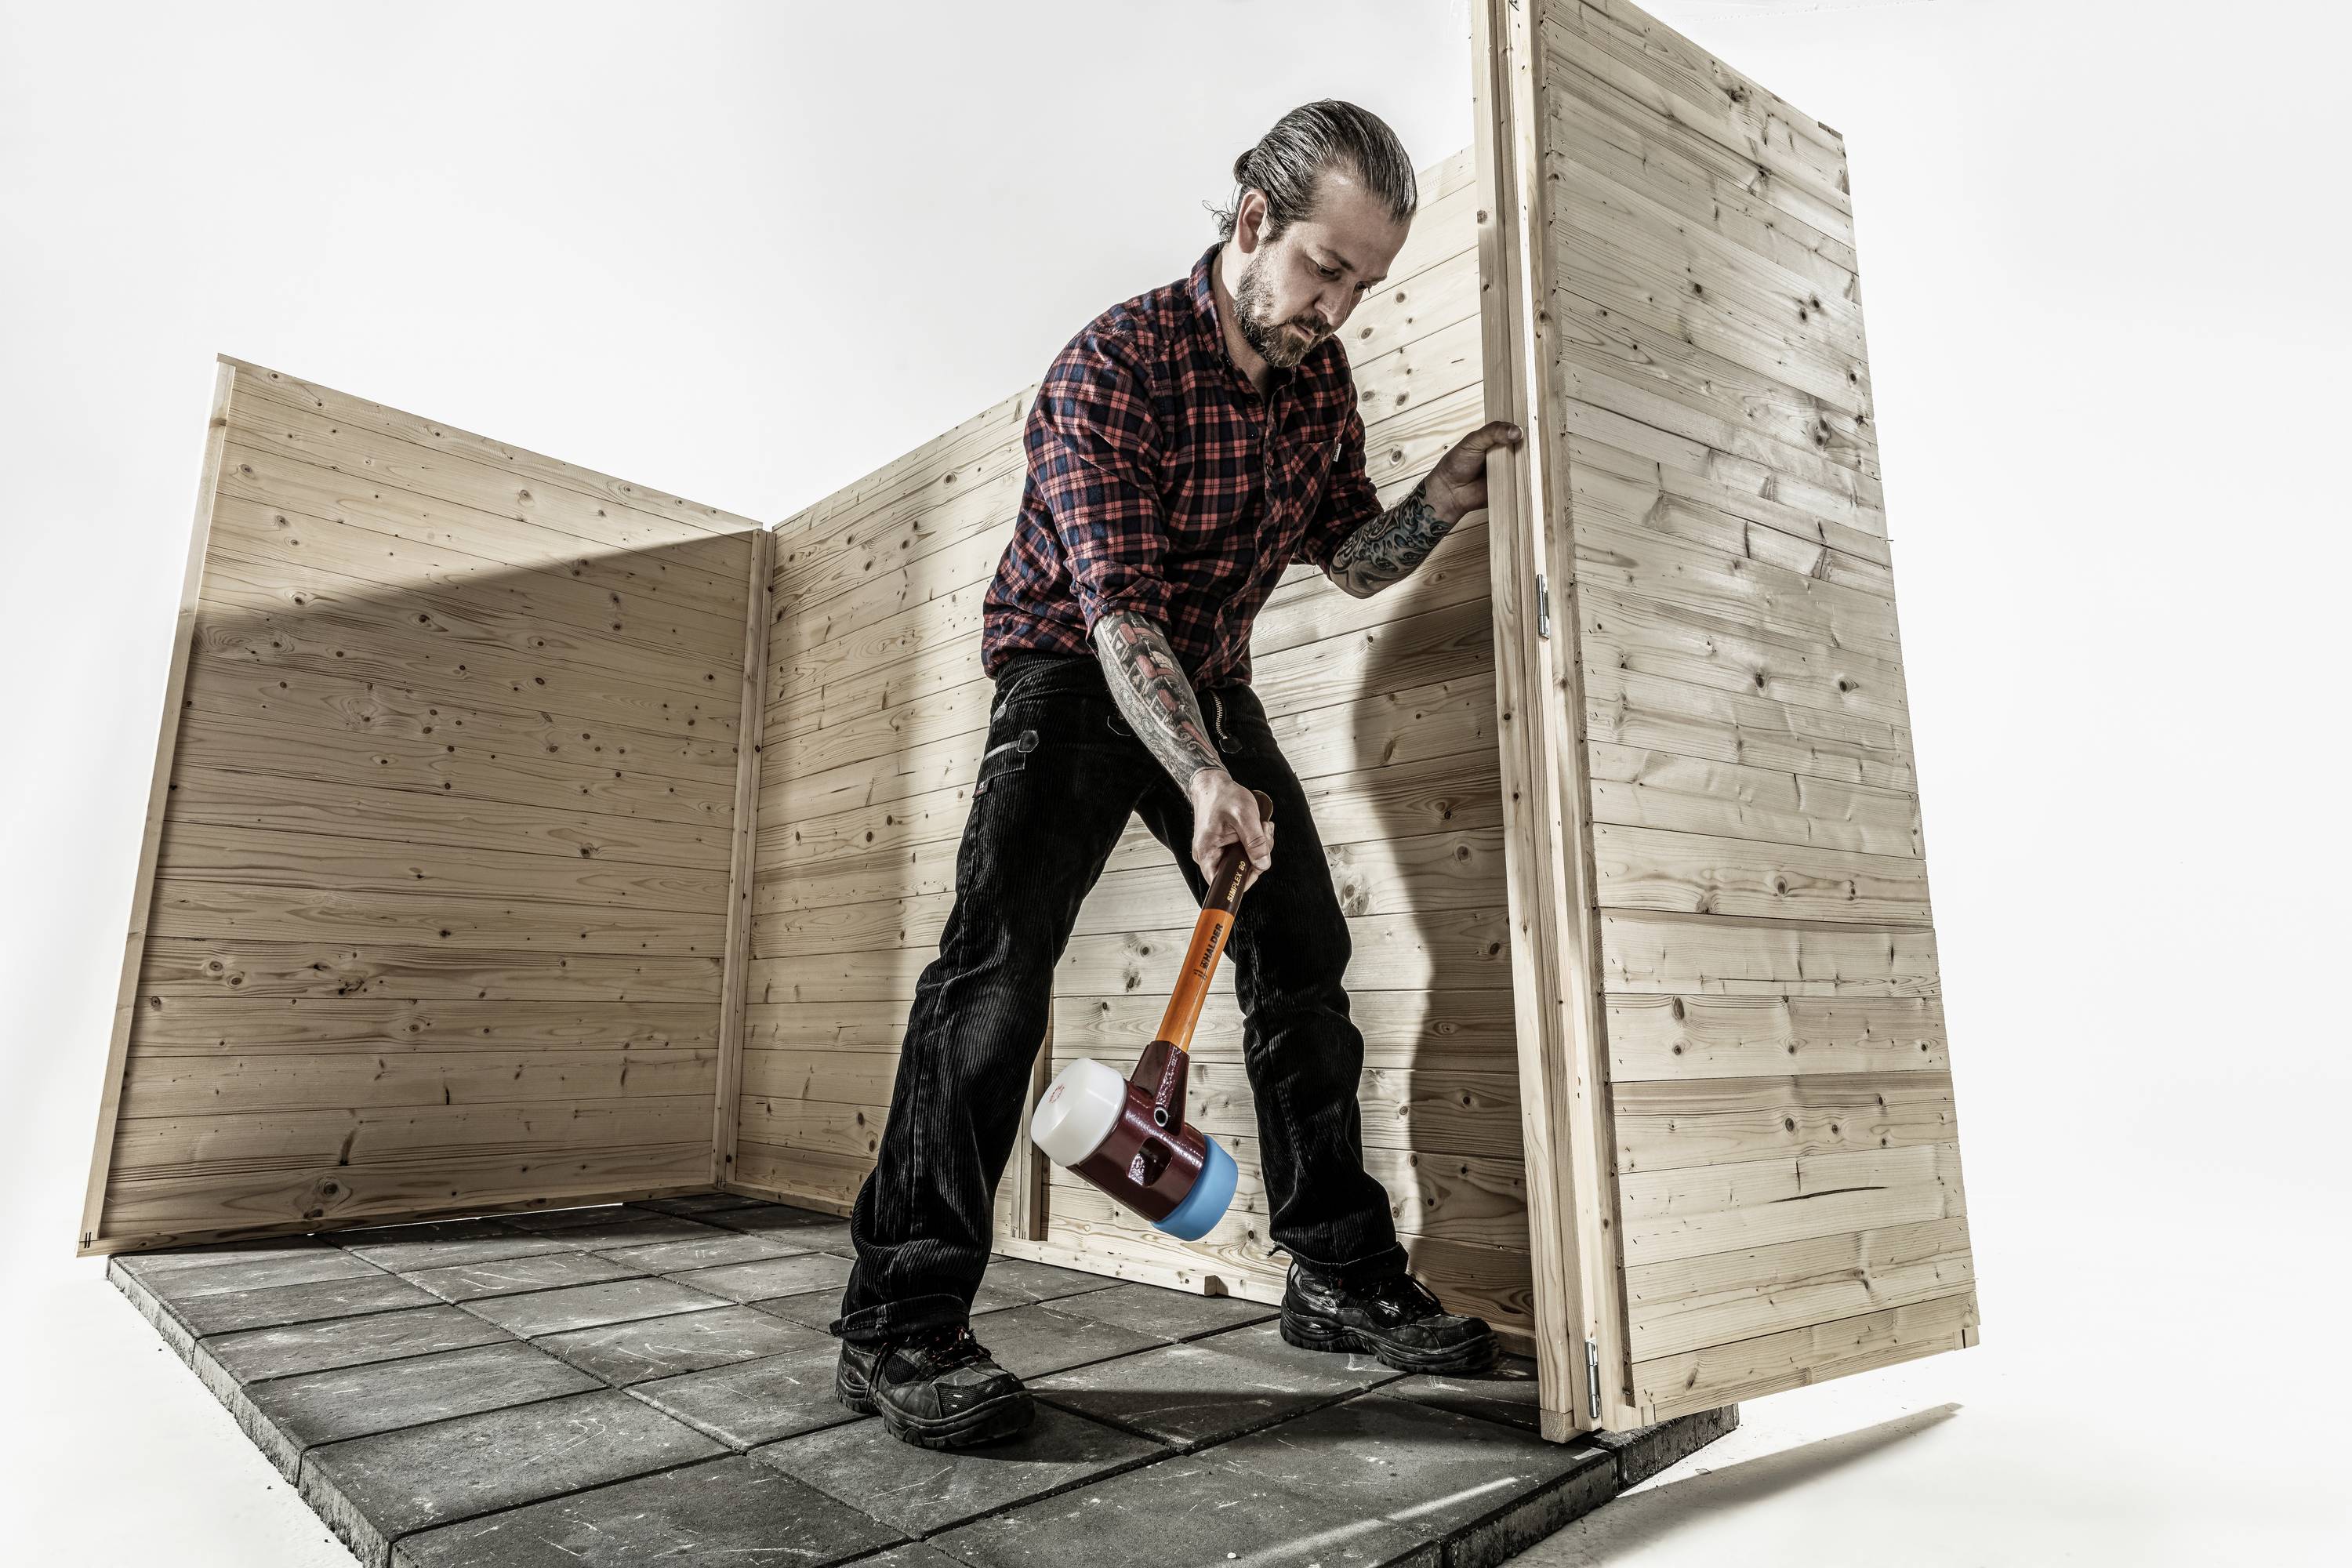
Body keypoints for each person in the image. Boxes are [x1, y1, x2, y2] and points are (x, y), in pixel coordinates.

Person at [829, 99, 1524, 1450]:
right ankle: (897, 1326)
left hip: (1209, 679)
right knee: (991, 980)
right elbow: (1119, 616)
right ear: (1252, 222)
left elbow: (1344, 553)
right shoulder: (1111, 368)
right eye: (1327, 268)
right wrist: (1206, 777)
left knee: (1304, 951)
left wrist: (1436, 501)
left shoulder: (1317, 382)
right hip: (1078, 671)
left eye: (1366, 284)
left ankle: (1336, 1272)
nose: (1342, 306)